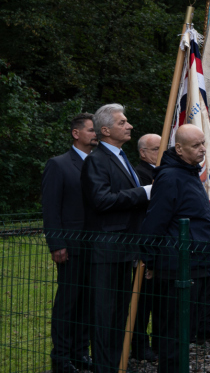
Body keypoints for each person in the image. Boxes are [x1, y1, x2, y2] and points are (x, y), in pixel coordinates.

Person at [139, 125, 210, 373]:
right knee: (173, 330)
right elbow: (156, 221)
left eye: (203, 143)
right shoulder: (170, 176)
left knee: (186, 328)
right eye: (196, 145)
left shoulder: (189, 172)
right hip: (177, 265)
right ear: (179, 149)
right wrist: (150, 259)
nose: (202, 149)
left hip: (197, 261)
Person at [81, 104, 151, 373]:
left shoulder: (121, 157)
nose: (129, 126)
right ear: (106, 130)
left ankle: (117, 363)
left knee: (121, 313)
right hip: (107, 250)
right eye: (123, 122)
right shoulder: (96, 161)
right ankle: (104, 367)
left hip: (126, 248)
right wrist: (143, 193)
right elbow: (100, 200)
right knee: (105, 315)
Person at [42, 113, 97, 373]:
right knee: (68, 303)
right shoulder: (59, 164)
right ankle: (61, 358)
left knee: (87, 302)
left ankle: (79, 353)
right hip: (71, 246)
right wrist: (56, 244)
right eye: (90, 130)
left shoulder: (99, 163)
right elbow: (51, 208)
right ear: (76, 133)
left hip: (95, 246)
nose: (96, 133)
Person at [131, 133, 161, 362]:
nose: (161, 153)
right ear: (143, 153)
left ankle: (159, 340)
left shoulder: (162, 172)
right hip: (143, 243)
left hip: (161, 243)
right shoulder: (138, 174)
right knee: (142, 301)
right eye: (155, 149)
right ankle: (140, 345)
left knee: (158, 299)